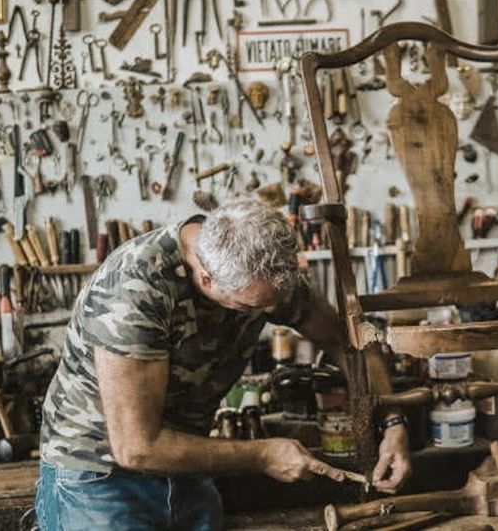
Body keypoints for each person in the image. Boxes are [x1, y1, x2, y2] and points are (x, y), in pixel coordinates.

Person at [35, 200, 411, 530]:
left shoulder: (263, 273)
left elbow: (348, 343)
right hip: (99, 475)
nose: (270, 314)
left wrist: (393, 421)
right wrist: (263, 454)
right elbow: (137, 447)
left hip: (186, 462)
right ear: (206, 277)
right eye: (252, 308)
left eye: (274, 305)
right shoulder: (136, 289)